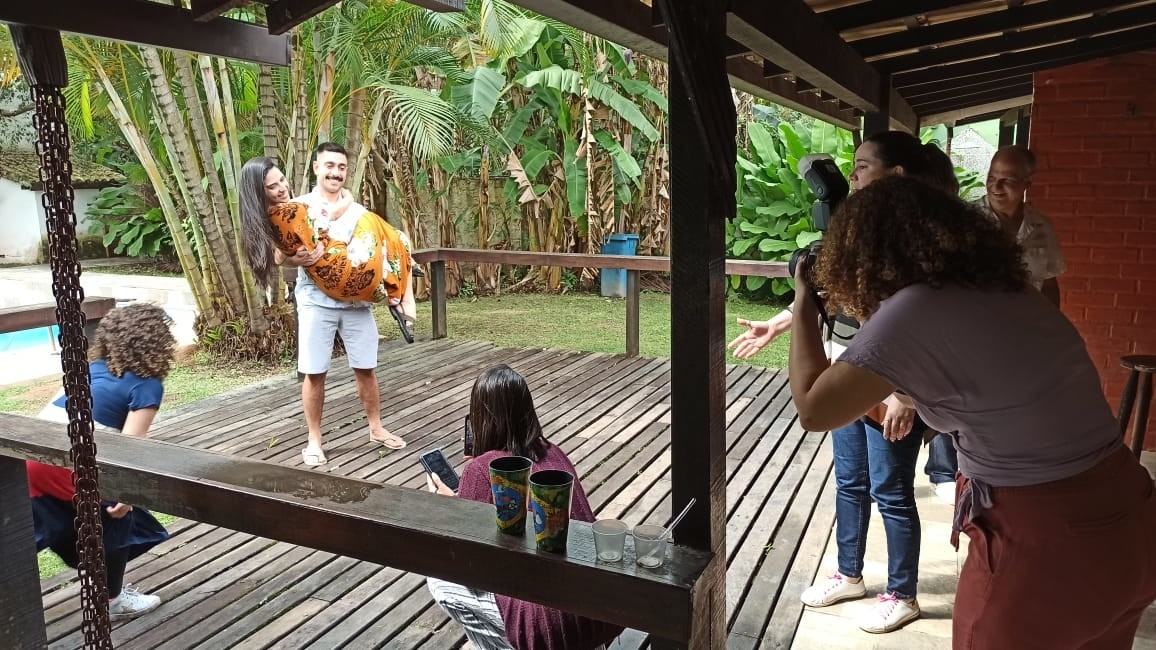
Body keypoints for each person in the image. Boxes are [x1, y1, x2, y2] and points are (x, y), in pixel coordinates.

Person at [790, 175, 1156, 649]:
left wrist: (804, 300)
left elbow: (814, 409)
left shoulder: (913, 312)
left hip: (1046, 537)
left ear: (864, 255)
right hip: (1129, 516)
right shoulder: (1007, 287)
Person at [728, 131, 959, 634]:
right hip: (845, 373)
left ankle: (902, 593)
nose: (851, 174)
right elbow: (834, 292)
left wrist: (905, 396)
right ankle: (849, 573)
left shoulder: (914, 244)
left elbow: (915, 326)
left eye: (862, 165)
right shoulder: (862, 230)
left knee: (891, 491)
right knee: (850, 483)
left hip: (887, 385)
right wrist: (781, 322)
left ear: (896, 175)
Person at [425, 365, 624, 650]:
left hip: (552, 633)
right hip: (604, 613)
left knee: (440, 581)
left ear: (479, 418)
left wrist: (450, 508)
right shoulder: (553, 451)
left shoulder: (481, 470)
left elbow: (466, 562)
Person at [238, 145, 408, 466]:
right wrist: (296, 257)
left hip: (357, 304)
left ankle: (376, 428)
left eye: (341, 167)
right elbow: (279, 254)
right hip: (317, 302)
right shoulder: (296, 207)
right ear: (316, 167)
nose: (336, 173)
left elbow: (374, 251)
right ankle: (314, 440)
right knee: (315, 372)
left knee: (366, 367)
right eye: (330, 165)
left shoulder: (357, 210)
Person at [28, 302, 176, 620]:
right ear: (159, 342)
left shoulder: (88, 368)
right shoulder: (147, 384)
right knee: (118, 517)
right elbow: (129, 448)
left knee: (46, 525)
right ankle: (113, 600)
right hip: (68, 467)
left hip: (32, 459)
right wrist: (127, 496)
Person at [977, 145, 1065, 307]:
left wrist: (1051, 320)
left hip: (1026, 318)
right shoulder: (966, 220)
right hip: (978, 318)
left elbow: (1049, 284)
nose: (996, 187)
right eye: (991, 178)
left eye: (1007, 180)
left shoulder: (1041, 226)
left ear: (1027, 184)